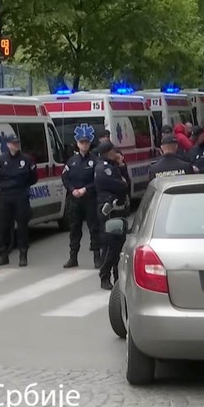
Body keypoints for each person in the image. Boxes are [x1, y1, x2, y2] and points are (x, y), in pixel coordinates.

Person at [0, 134, 37, 267]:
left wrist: (22, 187)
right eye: (13, 143)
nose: (15, 145)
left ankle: (23, 254)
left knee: (22, 226)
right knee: (4, 226)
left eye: (17, 143)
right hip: (6, 195)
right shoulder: (2, 160)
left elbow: (33, 177)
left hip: (21, 195)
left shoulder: (27, 159)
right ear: (8, 145)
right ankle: (4, 254)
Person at [61, 124, 101, 269]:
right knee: (74, 229)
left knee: (94, 229)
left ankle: (97, 257)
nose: (84, 145)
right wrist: (72, 190)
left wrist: (86, 189)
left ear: (89, 144)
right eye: (81, 142)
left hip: (90, 199)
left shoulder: (95, 161)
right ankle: (73, 257)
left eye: (86, 142)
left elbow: (98, 180)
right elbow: (65, 178)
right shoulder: (71, 161)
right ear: (77, 144)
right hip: (75, 200)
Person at [95, 141, 129, 290]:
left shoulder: (114, 166)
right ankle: (104, 276)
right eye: (114, 152)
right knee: (110, 246)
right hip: (109, 210)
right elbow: (121, 186)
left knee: (119, 246)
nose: (117, 154)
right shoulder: (104, 168)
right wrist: (122, 182)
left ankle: (117, 277)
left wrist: (122, 167)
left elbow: (127, 184)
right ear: (108, 153)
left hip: (118, 210)